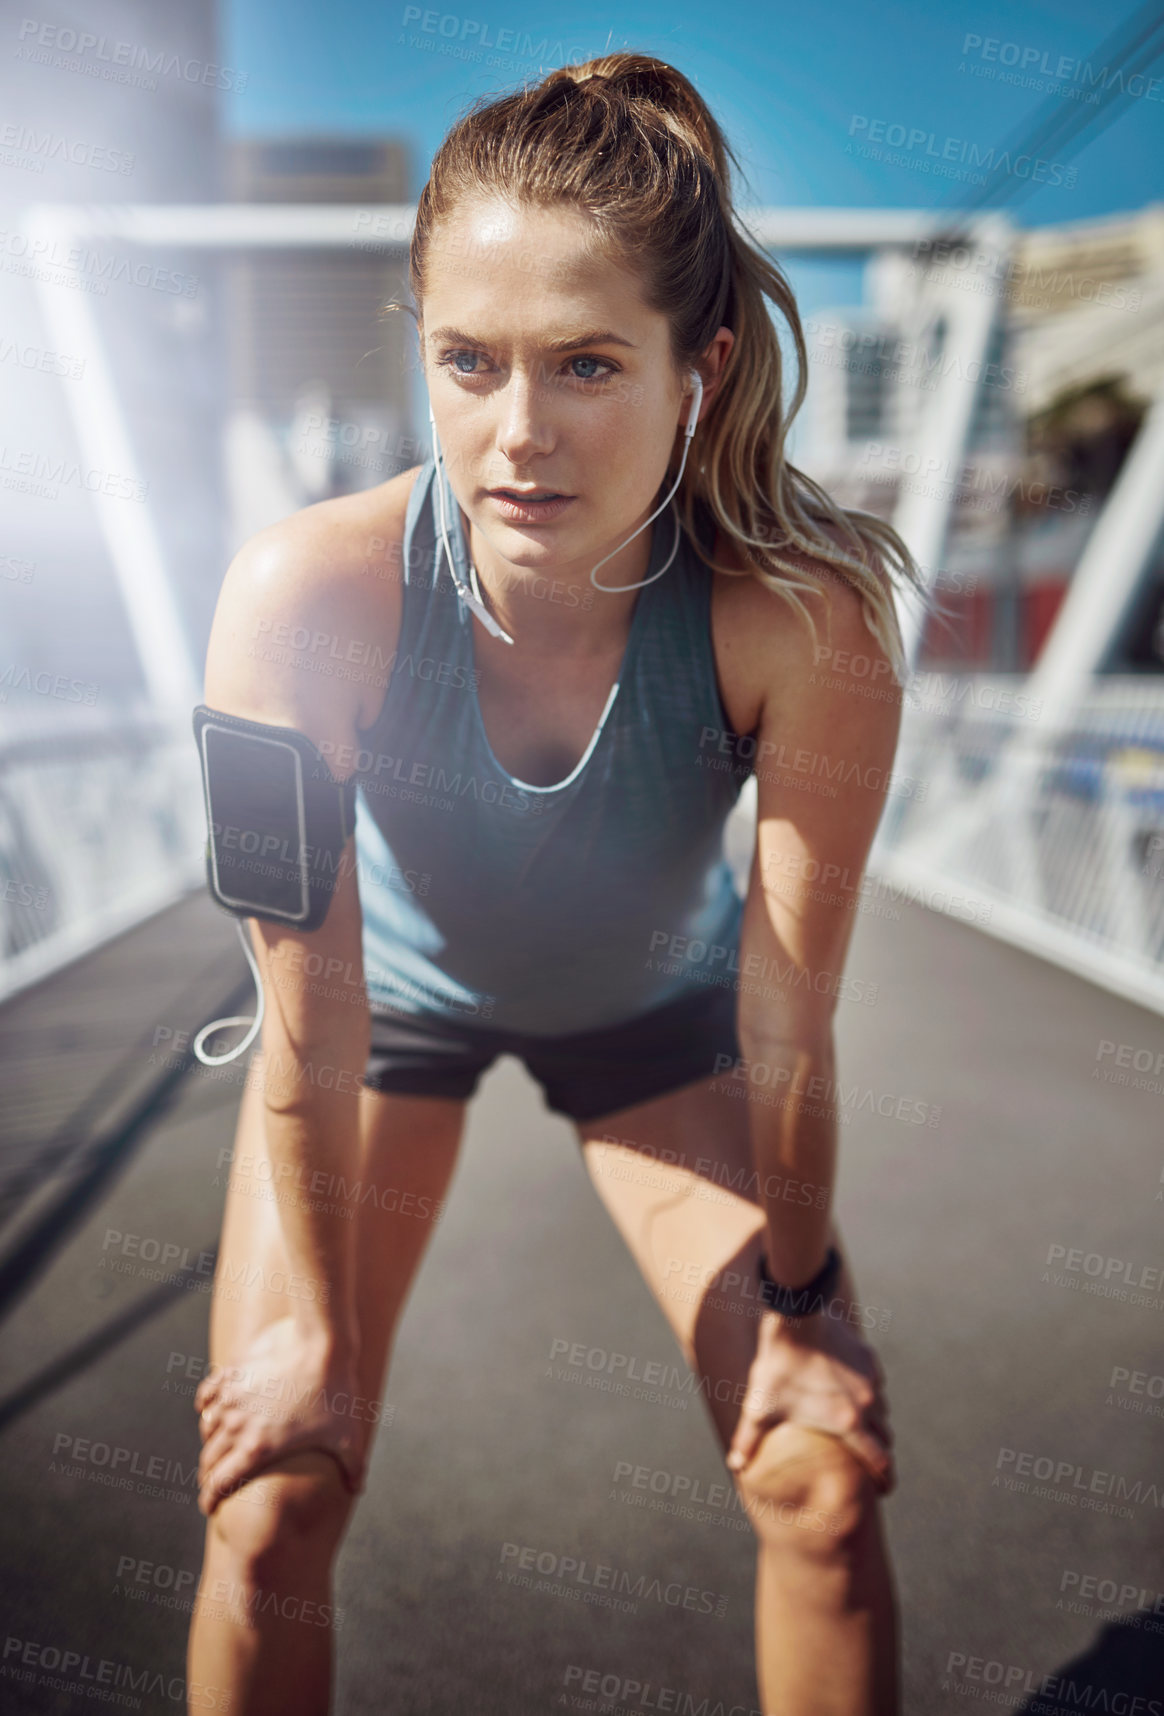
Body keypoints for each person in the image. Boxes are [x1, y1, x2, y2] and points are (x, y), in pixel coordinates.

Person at [186, 51, 933, 1716]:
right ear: (425, 352)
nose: (519, 436)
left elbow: (789, 1021)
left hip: (659, 1032)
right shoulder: (301, 596)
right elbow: (306, 1034)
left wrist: (803, 1309)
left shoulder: (798, 623)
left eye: (590, 364)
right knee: (274, 1498)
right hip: (382, 1035)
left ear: (701, 365)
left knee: (820, 1475)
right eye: (471, 361)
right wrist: (312, 1341)